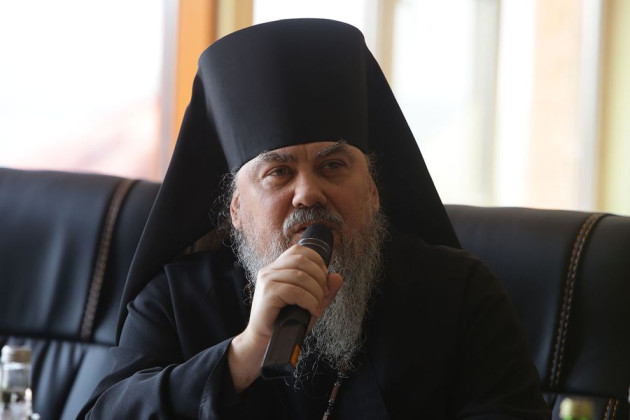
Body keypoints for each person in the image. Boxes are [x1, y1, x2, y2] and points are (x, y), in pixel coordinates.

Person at [80, 19, 550, 419]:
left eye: (333, 166)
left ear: (373, 193)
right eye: (278, 173)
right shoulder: (174, 299)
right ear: (236, 210)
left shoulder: (460, 293)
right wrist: (244, 354)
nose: (307, 192)